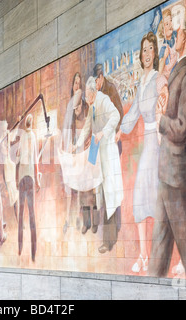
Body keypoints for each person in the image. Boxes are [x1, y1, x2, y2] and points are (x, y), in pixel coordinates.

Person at [149, 2, 186, 280]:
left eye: (176, 25)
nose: (172, 30)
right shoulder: (177, 69)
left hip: (174, 174)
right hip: (166, 172)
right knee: (160, 244)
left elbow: (181, 128)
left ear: (184, 34)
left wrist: (161, 119)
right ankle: (151, 286)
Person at [119, 31, 161, 273]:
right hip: (148, 140)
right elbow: (133, 113)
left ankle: (149, 256)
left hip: (156, 140)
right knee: (143, 199)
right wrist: (118, 131)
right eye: (144, 50)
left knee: (147, 198)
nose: (147, 54)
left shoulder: (157, 79)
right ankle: (145, 256)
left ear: (155, 53)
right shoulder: (141, 82)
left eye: (150, 49)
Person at [74, 76, 124, 254]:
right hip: (98, 155)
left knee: (109, 196)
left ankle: (108, 241)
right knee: (101, 196)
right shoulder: (93, 106)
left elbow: (116, 115)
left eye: (88, 95)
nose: (86, 99)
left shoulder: (103, 100)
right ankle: (106, 233)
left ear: (93, 92)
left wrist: (104, 132)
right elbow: (87, 126)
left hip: (107, 155)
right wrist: (77, 144)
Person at [61, 72, 90, 234]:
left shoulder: (83, 105)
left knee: (78, 186)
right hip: (70, 150)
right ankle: (67, 219)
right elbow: (66, 127)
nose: (77, 85)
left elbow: (85, 126)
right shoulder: (70, 105)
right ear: (72, 86)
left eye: (79, 83)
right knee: (69, 188)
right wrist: (66, 149)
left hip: (79, 150)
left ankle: (78, 219)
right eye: (75, 83)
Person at [14, 114, 40, 262]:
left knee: (21, 214)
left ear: (25, 124)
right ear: (32, 123)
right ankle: (33, 253)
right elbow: (36, 160)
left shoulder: (22, 137)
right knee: (32, 216)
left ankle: (19, 248)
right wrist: (38, 180)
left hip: (22, 179)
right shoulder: (33, 137)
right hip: (30, 178)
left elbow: (17, 158)